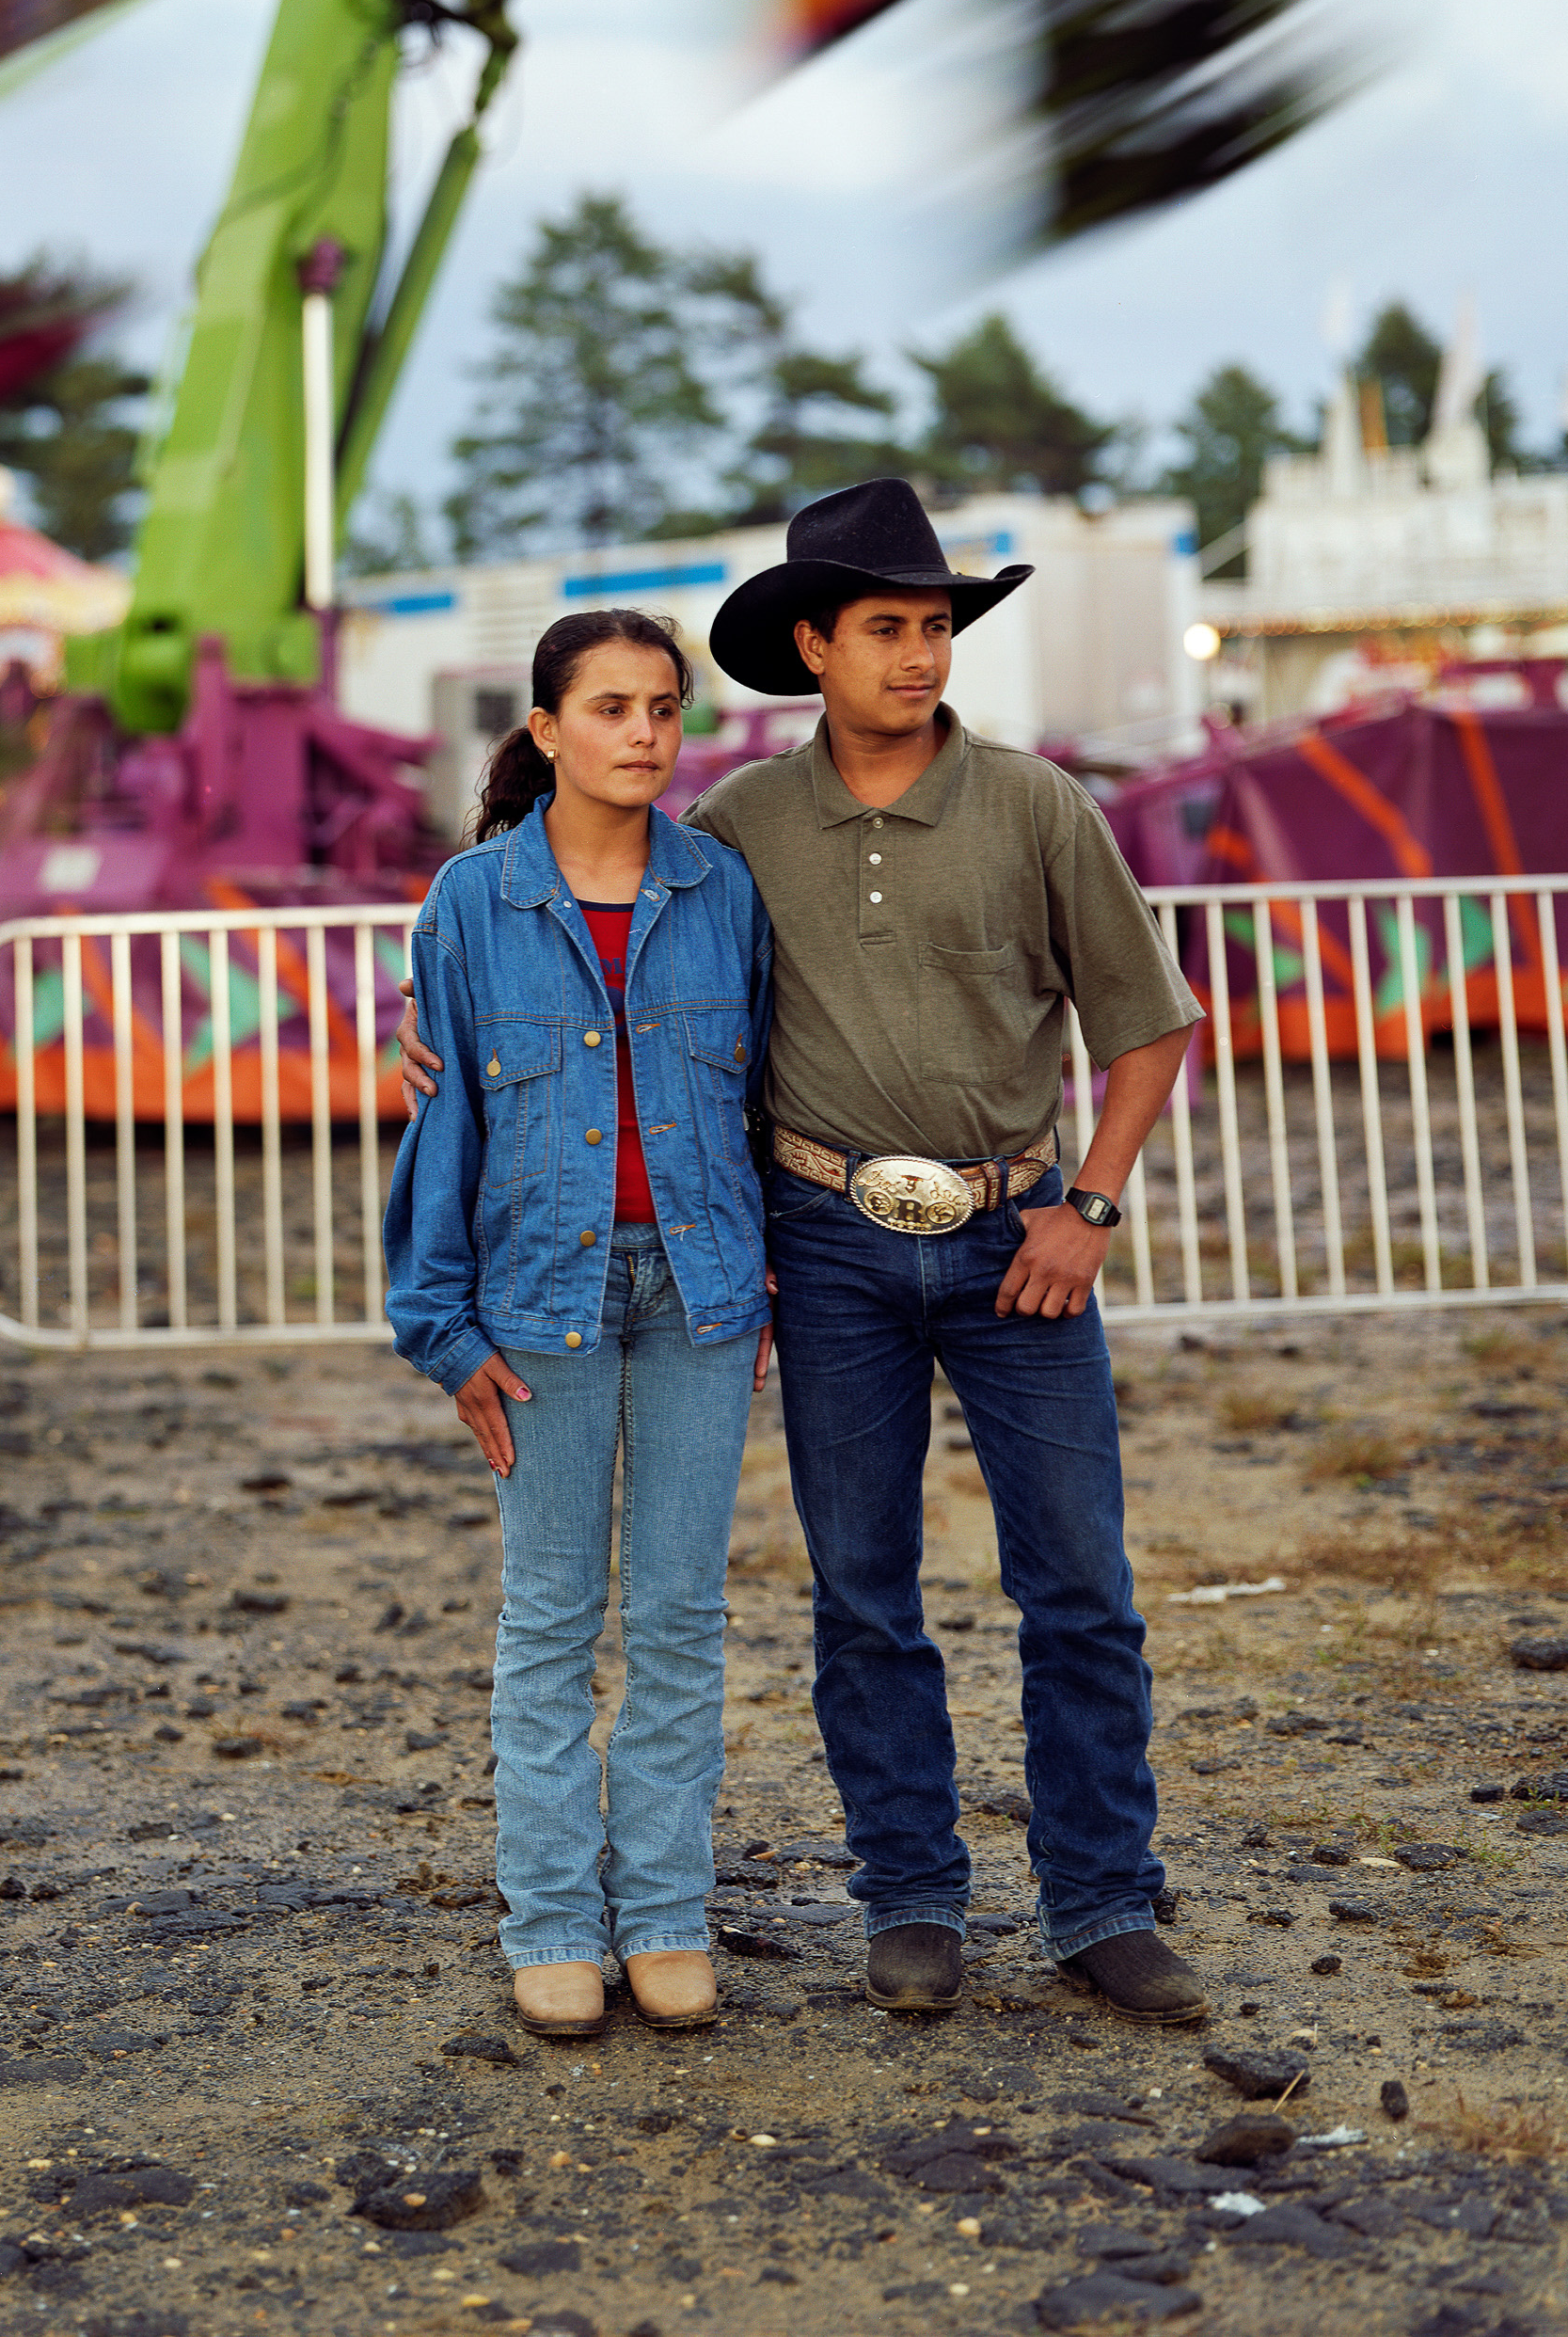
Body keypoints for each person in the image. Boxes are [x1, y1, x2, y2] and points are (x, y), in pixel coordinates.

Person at [406, 481, 1212, 2029]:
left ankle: (1105, 1903)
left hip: (1019, 1238)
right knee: (862, 1590)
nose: (920, 654)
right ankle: (909, 1899)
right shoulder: (738, 834)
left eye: (937, 626)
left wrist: (1091, 1207)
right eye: (887, 626)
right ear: (813, 648)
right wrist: (429, 1029)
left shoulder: (1038, 805)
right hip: (824, 1245)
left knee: (1080, 1584)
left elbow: (1150, 1021)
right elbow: (593, 964)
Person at [384, 610, 772, 2046]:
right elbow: (442, 1128)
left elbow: (769, 1094)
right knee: (550, 1616)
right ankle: (551, 1920)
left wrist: (774, 1282)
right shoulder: (471, 903)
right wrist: (441, 1329)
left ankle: (664, 1912)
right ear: (546, 728)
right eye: (610, 707)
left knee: (678, 1612)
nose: (644, 733)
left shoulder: (722, 889)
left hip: (703, 1292)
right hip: (541, 1296)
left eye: (664, 707)